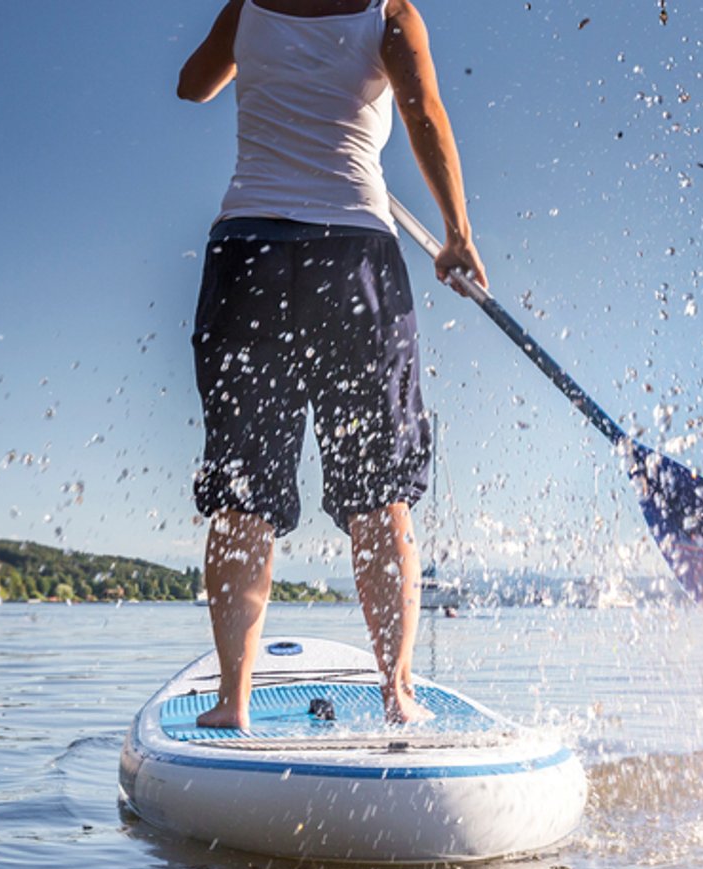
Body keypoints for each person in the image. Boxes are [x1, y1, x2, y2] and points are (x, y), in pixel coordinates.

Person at [178, 0, 485, 728]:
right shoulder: (390, 15)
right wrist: (457, 235)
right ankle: (398, 693)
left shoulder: (247, 7)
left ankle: (232, 702)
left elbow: (194, 84)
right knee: (380, 495)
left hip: (248, 253)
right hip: (353, 259)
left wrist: (258, 49)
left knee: (242, 491)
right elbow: (425, 117)